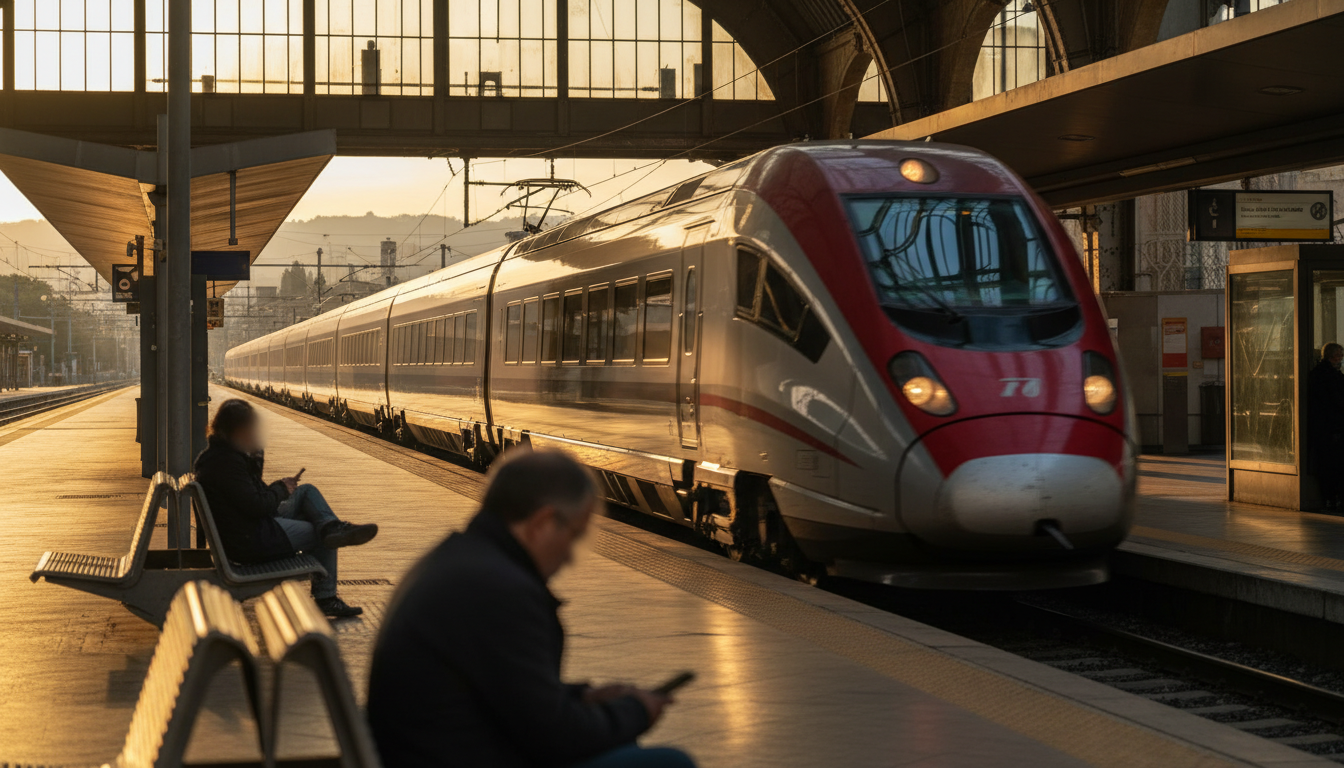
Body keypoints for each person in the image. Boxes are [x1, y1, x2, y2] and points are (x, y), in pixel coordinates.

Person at [366, 450, 695, 768]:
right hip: (465, 756)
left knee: (620, 744)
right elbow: (554, 736)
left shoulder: (460, 560)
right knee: (670, 763)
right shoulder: (499, 590)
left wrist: (583, 698)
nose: (570, 556)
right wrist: (636, 711)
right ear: (542, 523)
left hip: (443, 750)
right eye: (575, 535)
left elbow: (509, 692)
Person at [194, 398, 378, 618]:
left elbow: (252, 496)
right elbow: (258, 506)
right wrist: (280, 489)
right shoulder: (228, 463)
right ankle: (326, 596)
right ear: (238, 431)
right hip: (251, 539)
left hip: (248, 527)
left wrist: (276, 482)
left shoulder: (219, 456)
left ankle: (332, 526)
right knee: (321, 534)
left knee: (306, 491)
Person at [1310, 342, 1344, 510]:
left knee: (1328, 464)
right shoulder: (1331, 376)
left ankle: (1330, 497)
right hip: (1332, 426)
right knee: (1334, 463)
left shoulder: (1319, 374)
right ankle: (1333, 496)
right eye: (1339, 355)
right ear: (1332, 356)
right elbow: (1336, 401)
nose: (1341, 358)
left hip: (1324, 427)